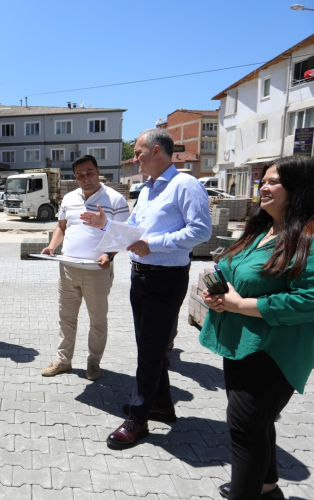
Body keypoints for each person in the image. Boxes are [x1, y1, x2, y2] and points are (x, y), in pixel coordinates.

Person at [199, 156, 314, 500]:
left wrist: (240, 305)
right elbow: (234, 270)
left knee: (245, 430)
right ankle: (266, 488)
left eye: (273, 182)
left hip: (274, 351)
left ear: (300, 188)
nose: (263, 187)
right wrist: (218, 294)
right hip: (241, 344)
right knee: (256, 424)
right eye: (262, 181)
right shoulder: (265, 227)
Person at [82, 128, 212, 449]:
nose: (135, 159)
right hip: (141, 276)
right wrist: (106, 225)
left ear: (156, 151)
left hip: (165, 278)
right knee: (148, 347)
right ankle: (162, 404)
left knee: (151, 351)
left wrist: (152, 244)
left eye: (138, 152)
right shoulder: (147, 190)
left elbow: (201, 231)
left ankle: (138, 421)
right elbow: (134, 231)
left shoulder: (185, 185)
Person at [40, 155, 129, 380]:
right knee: (66, 317)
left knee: (97, 320)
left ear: (98, 171)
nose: (85, 178)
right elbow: (61, 227)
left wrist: (109, 254)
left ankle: (94, 362)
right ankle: (63, 360)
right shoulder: (69, 198)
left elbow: (123, 235)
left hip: (97, 271)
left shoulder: (116, 200)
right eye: (79, 175)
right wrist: (51, 246)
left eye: (89, 172)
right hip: (68, 268)